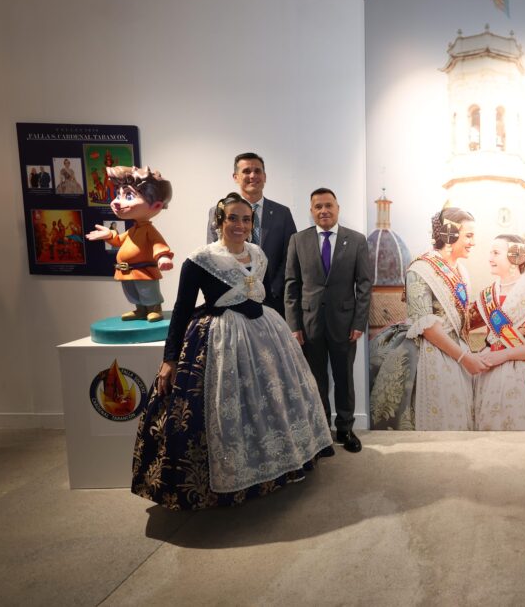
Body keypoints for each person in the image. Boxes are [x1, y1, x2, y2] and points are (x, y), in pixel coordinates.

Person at [131, 193, 334, 511]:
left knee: (273, 401)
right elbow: (182, 309)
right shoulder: (200, 259)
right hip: (220, 340)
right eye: (233, 218)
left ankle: (281, 466)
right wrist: (169, 359)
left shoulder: (258, 254)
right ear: (220, 221)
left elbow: (262, 295)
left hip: (265, 333)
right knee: (225, 409)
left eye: (246, 219)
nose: (240, 225)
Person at [369, 207, 487, 430]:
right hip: (429, 355)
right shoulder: (420, 269)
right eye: (469, 236)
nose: (473, 242)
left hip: (457, 355)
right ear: (450, 234)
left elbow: (461, 318)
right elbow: (426, 325)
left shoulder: (461, 271)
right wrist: (464, 358)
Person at [285, 188, 372, 452]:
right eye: (318, 206)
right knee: (315, 379)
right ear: (311, 211)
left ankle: (345, 429)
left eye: (328, 205)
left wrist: (359, 323)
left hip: (345, 324)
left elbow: (364, 285)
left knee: (344, 377)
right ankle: (321, 431)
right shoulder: (298, 240)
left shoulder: (356, 240)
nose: (324, 210)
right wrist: (294, 326)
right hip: (309, 324)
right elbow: (292, 285)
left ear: (337, 208)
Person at [469, 235, 525, 430]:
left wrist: (505, 354)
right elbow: (463, 323)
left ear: (515, 256)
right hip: (488, 374)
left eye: (496, 253)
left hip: (522, 376)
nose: (489, 258)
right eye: (490, 252)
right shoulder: (486, 296)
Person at [206, 153, 296, 314]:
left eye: (257, 171)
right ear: (235, 177)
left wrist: (272, 289)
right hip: (230, 302)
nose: (253, 176)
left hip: (273, 301)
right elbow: (214, 255)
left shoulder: (282, 213)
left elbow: (290, 256)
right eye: (246, 171)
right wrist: (234, 290)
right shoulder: (218, 211)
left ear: (265, 177)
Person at [85, 167, 173, 322]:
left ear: (156, 206)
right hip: (126, 271)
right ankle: (140, 309)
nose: (116, 202)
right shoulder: (133, 230)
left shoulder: (148, 230)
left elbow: (158, 243)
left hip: (144, 271)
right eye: (118, 194)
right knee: (132, 292)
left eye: (129, 196)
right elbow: (119, 240)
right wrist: (109, 235)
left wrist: (163, 257)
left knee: (148, 291)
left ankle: (154, 308)